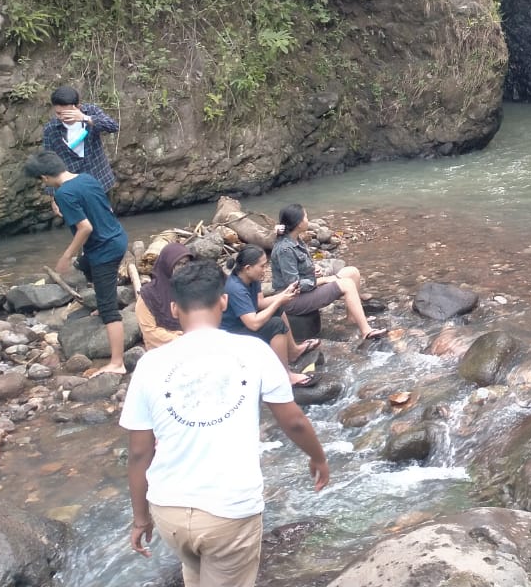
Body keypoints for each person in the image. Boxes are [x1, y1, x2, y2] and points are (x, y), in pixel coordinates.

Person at [121, 258, 329, 586]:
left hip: (168, 511)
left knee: (196, 573)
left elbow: (138, 453)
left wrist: (139, 518)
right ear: (223, 301)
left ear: (175, 309)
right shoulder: (254, 351)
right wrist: (317, 457)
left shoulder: (150, 364)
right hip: (228, 511)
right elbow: (294, 422)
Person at [25, 150, 128, 376]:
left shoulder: (64, 193)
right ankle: (104, 299)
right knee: (85, 265)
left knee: (109, 311)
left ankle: (117, 362)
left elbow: (86, 228)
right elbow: (104, 209)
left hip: (104, 250)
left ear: (44, 178)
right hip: (116, 238)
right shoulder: (87, 178)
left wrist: (66, 256)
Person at [270, 204, 386, 340]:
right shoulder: (285, 249)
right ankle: (366, 331)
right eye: (306, 216)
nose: (308, 219)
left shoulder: (297, 240)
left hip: (306, 288)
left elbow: (299, 269)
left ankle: (352, 318)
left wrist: (313, 269)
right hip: (292, 300)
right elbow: (293, 286)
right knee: (347, 284)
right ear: (298, 223)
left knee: (352, 272)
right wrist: (322, 280)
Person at [222, 245, 320, 387]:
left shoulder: (252, 279)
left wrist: (285, 294)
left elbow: (260, 303)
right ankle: (285, 375)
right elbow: (253, 324)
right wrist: (279, 300)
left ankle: (293, 351)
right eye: (262, 266)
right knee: (276, 325)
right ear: (248, 268)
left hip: (245, 324)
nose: (265, 270)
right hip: (233, 335)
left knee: (276, 307)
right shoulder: (235, 288)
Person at [42, 85, 119, 193]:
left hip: (100, 180)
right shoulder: (51, 129)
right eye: (59, 113)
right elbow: (49, 163)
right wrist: (53, 197)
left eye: (67, 114)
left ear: (78, 107)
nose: (63, 117)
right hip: (72, 187)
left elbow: (113, 126)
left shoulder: (90, 112)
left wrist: (85, 118)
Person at [135, 243, 191, 349]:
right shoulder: (148, 296)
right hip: (161, 351)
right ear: (167, 265)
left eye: (186, 264)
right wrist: (179, 339)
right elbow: (150, 332)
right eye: (178, 264)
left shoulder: (193, 288)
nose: (183, 268)